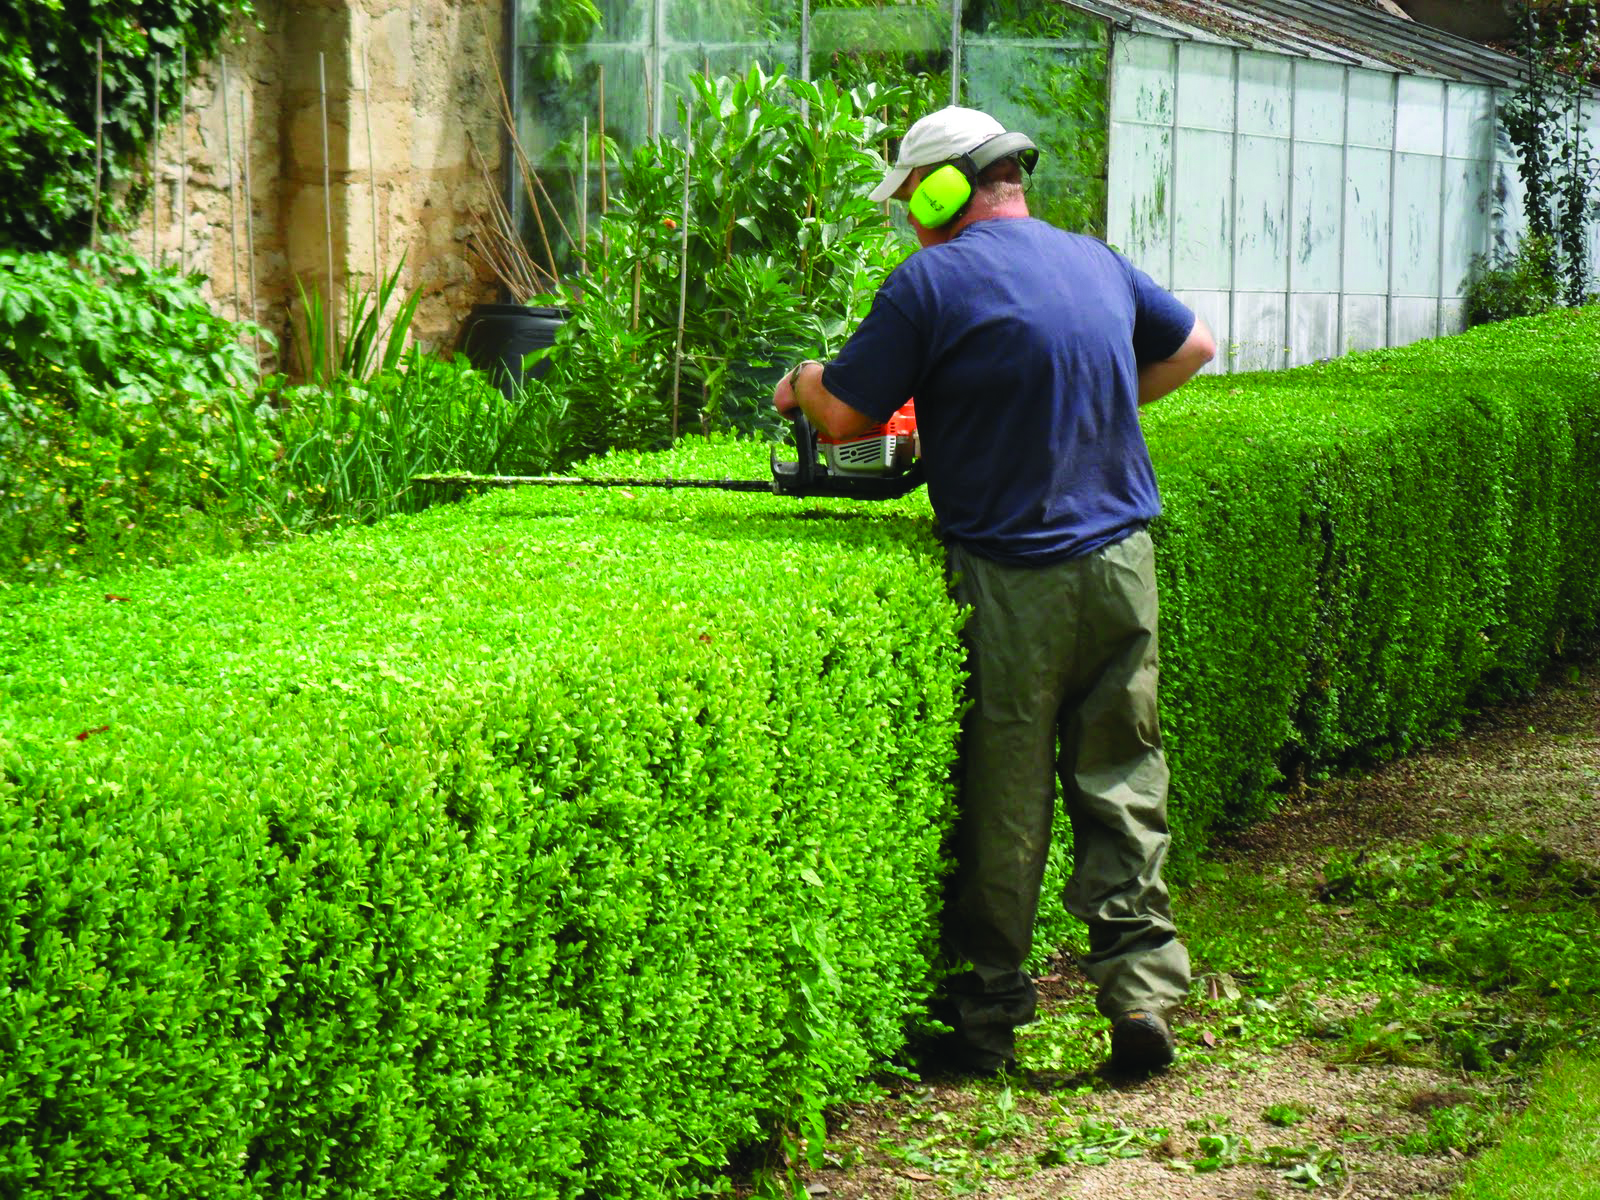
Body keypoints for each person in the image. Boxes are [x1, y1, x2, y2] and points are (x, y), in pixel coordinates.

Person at [772, 105, 1216, 1077]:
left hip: (1014, 578)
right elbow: (1193, 349)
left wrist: (801, 380)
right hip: (1122, 566)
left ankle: (985, 1024)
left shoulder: (931, 282)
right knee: (1123, 778)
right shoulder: (1093, 261)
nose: (907, 218)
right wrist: (1083, 403)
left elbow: (846, 419)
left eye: (910, 198)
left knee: (1006, 803)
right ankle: (1140, 995)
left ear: (943, 190)